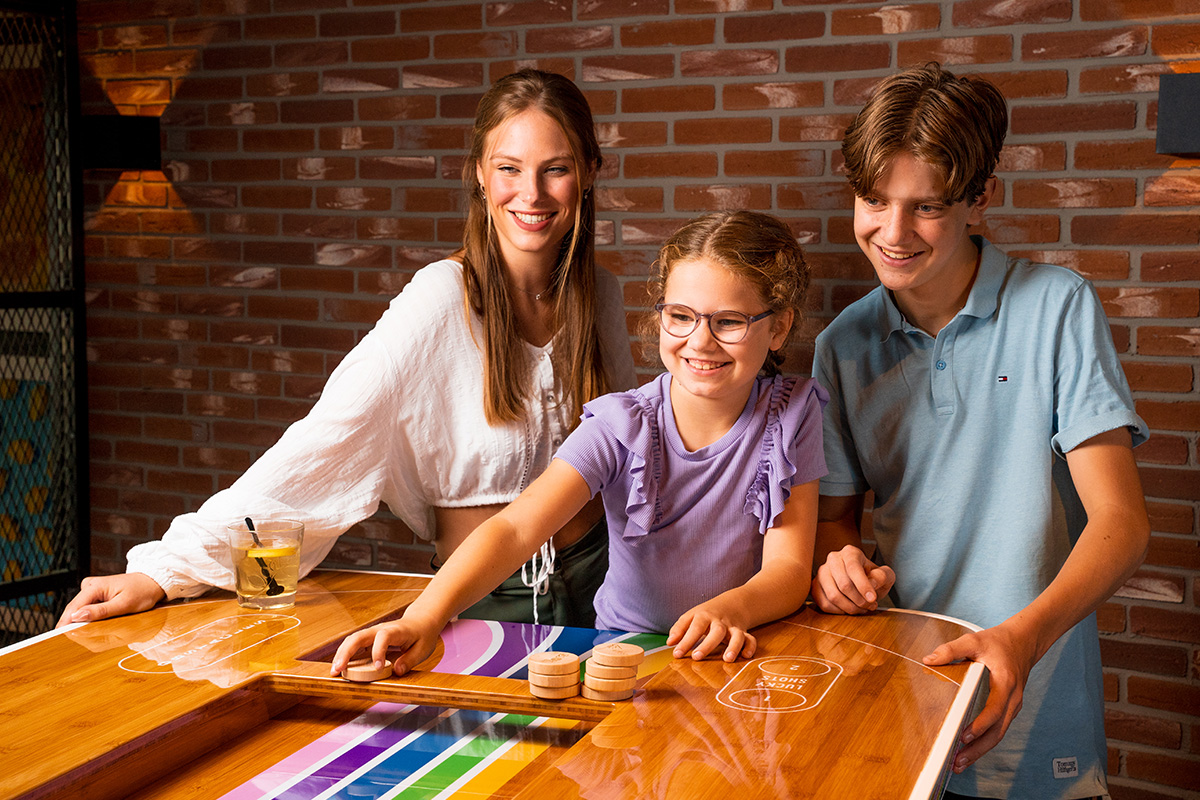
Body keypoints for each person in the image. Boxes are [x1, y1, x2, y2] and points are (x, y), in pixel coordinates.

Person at [57, 69, 637, 629]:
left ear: (589, 170)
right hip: (485, 600)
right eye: (509, 168)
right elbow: (323, 441)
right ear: (480, 175)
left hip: (606, 582)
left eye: (555, 169)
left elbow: (632, 455)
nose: (530, 193)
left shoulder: (601, 295)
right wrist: (164, 572)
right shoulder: (442, 298)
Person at [810, 63, 1150, 800]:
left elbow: (1122, 525)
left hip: (1037, 704)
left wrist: (1020, 641)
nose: (892, 233)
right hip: (902, 695)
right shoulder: (841, 344)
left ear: (979, 199)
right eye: (873, 200)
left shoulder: (1057, 307)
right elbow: (834, 521)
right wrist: (837, 568)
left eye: (925, 206)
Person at [331, 210, 827, 675]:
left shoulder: (793, 414)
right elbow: (517, 528)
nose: (700, 340)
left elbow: (787, 568)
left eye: (729, 321)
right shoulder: (621, 423)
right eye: (681, 316)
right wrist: (423, 618)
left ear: (778, 326)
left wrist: (731, 608)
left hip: (736, 650)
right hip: (623, 651)